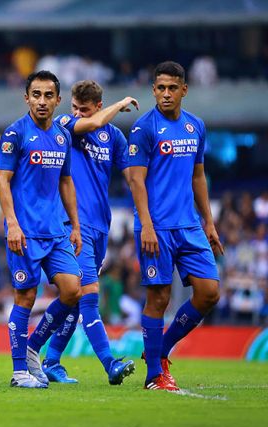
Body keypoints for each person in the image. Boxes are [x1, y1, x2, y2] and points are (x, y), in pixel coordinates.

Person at [126, 61, 223, 391]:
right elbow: (136, 181)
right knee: (159, 298)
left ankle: (161, 350)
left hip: (190, 226)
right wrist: (147, 226)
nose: (166, 94)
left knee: (209, 292)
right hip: (157, 228)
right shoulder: (143, 128)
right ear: (153, 90)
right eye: (160, 88)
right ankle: (154, 375)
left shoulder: (196, 126)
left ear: (184, 89)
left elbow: (198, 176)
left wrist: (209, 221)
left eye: (172, 88)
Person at [40, 80, 138, 384]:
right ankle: (110, 364)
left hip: (100, 227)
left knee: (73, 300)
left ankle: (51, 360)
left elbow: (133, 176)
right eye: (75, 107)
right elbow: (93, 123)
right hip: (73, 226)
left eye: (84, 108)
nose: (77, 113)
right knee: (88, 297)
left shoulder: (114, 138)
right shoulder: (65, 124)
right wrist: (120, 105)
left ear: (97, 104)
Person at [0, 70, 82, 389]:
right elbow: (2, 180)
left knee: (73, 290)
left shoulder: (63, 136)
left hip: (56, 231)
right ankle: (20, 372)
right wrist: (13, 224)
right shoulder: (14, 134)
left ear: (58, 100)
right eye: (36, 95)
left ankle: (33, 346)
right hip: (25, 232)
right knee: (26, 296)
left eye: (48, 95)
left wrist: (75, 224)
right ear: (27, 98)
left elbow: (66, 181)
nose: (42, 101)